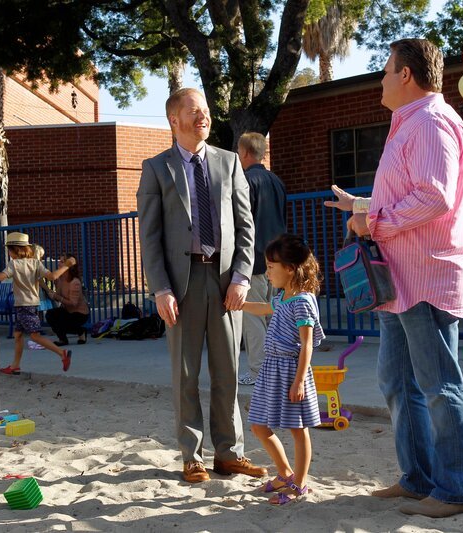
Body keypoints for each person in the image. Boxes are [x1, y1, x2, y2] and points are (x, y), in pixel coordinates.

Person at [325, 39, 463, 518]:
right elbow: (411, 194)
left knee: (438, 385)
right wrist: (363, 206)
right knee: (397, 380)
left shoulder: (429, 122)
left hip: (426, 276)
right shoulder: (414, 122)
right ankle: (418, 479)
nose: (381, 80)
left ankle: (454, 491)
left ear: (407, 75)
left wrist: (372, 222)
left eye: (386, 71)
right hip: (403, 279)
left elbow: (433, 198)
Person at [136, 87, 267, 484]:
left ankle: (229, 454)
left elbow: (246, 227)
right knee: (186, 374)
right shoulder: (156, 168)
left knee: (228, 370)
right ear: (174, 119)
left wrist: (243, 276)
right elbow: (150, 236)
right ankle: (191, 456)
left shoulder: (229, 163)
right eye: (194, 111)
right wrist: (160, 288)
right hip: (181, 284)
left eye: (206, 111)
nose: (203, 117)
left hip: (227, 283)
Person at [243, 234, 323, 505]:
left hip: (291, 370)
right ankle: (285, 473)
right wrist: (239, 304)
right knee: (258, 425)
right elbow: (266, 308)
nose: (267, 273)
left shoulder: (302, 300)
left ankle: (299, 485)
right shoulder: (284, 296)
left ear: (290, 268)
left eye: (270, 267)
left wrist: (299, 381)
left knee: (298, 429)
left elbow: (307, 344)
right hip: (271, 368)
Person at [236, 132, 287, 386]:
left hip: (254, 259)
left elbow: (242, 223)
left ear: (244, 153)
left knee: (253, 316)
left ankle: (258, 372)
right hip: (278, 259)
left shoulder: (246, 181)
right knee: (271, 315)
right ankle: (275, 370)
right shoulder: (276, 181)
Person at [0, 231, 75, 375]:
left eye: (9, 250)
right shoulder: (36, 263)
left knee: (35, 336)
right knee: (18, 335)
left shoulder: (14, 264)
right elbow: (53, 276)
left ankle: (62, 353)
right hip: (31, 304)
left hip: (23, 305)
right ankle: (15, 366)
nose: (9, 253)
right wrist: (66, 265)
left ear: (13, 250)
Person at [42, 253, 89, 346]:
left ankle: (81, 331)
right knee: (50, 314)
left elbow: (73, 303)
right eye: (59, 261)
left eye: (62, 262)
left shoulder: (75, 282)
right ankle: (63, 339)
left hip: (79, 314)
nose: (59, 264)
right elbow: (57, 295)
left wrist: (57, 297)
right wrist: (49, 292)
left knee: (62, 320)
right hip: (67, 311)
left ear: (70, 266)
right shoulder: (59, 279)